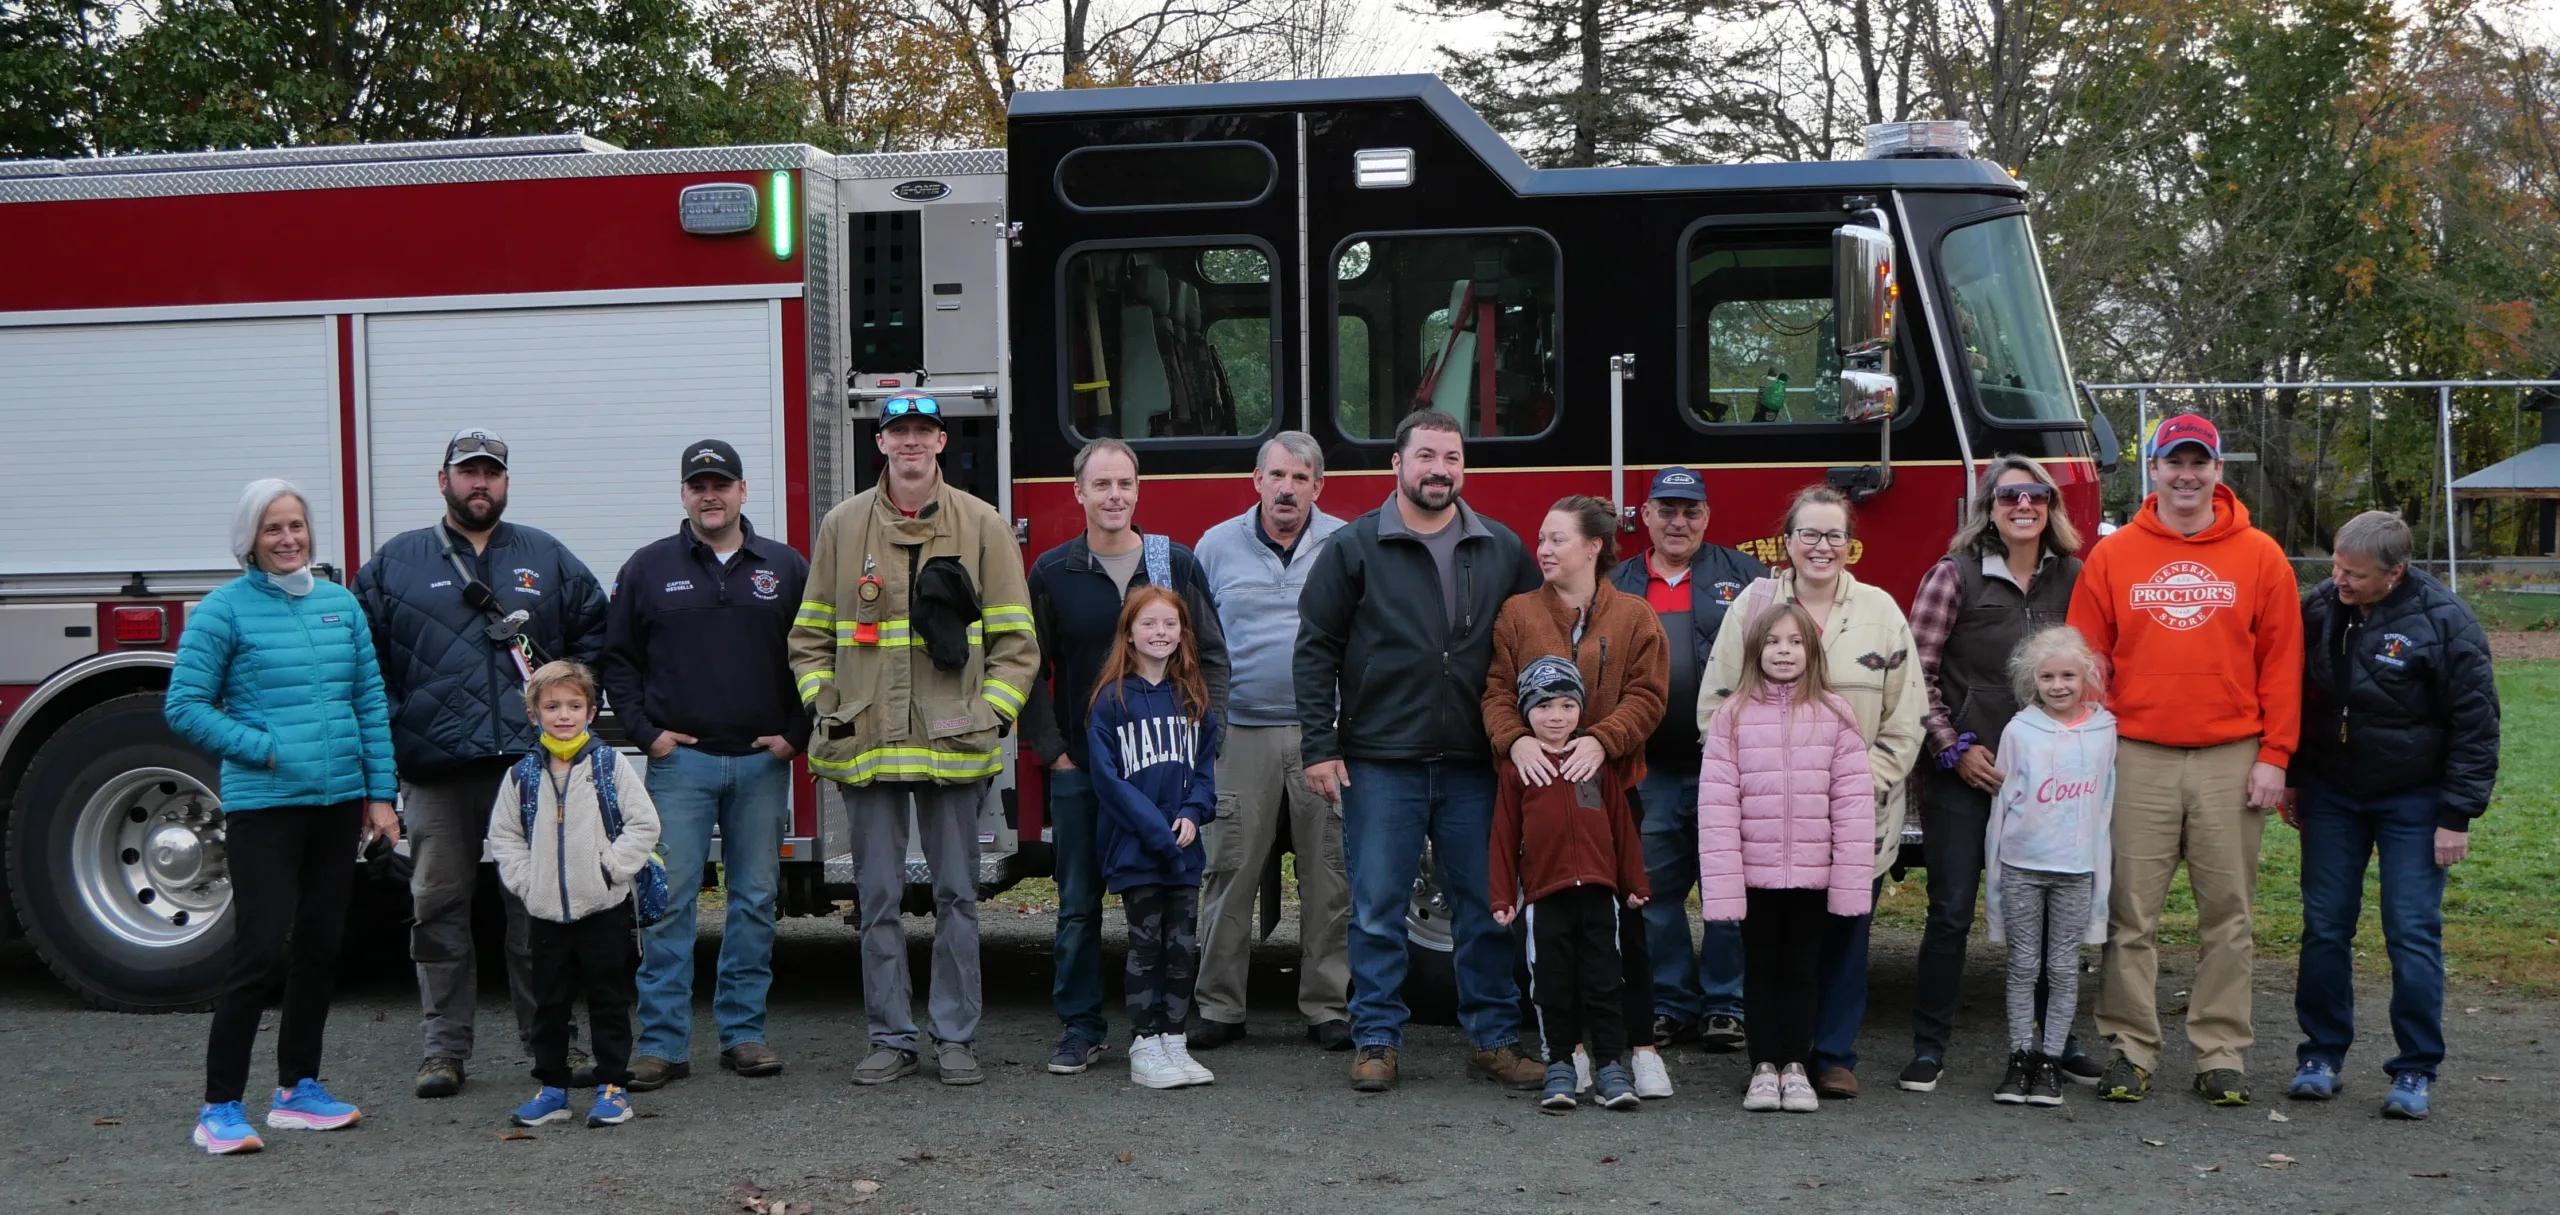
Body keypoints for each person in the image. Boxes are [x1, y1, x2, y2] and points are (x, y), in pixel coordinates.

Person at [787, 394, 1038, 1087]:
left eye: (922, 430)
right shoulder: (842, 527)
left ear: (940, 441)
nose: (910, 442)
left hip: (955, 745)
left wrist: (988, 711)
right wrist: (827, 705)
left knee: (958, 896)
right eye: (897, 430)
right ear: (882, 443)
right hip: (867, 741)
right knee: (877, 899)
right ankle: (891, 1037)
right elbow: (809, 637)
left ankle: (955, 1037)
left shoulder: (983, 526)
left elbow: (1018, 643)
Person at [354, 427, 610, 1100]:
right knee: (438, 906)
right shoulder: (396, 563)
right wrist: (395, 727)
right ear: (443, 480)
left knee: (541, 909)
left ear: (505, 481)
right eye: (468, 472)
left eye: (491, 473)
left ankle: (552, 1041)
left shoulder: (545, 557)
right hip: (437, 771)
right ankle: (443, 1050)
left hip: (531, 771)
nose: (480, 483)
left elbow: (595, 630)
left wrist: (574, 700)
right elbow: (363, 662)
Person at [1295, 407, 1544, 1093]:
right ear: (1397, 466)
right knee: (1375, 908)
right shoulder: (1356, 546)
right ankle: (1376, 1039)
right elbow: (1316, 648)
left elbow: (1533, 643)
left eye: (1453, 458)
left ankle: (1494, 1039)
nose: (1440, 470)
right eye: (1427, 456)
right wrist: (1320, 746)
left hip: (1474, 761)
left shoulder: (1500, 547)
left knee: (1487, 906)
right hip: (1380, 759)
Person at [2066, 413, 2302, 1106]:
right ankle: (2130, 1048)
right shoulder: (2114, 555)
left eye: (2200, 462)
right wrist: (2087, 744)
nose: (2187, 474)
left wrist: (2276, 756)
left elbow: (2282, 665)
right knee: (2130, 913)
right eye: (2175, 462)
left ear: (2219, 471)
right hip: (2138, 753)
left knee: (2228, 913)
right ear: (2156, 470)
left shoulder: (2260, 555)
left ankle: (2221, 1051)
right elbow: (2087, 657)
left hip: (2233, 754)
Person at [167, 479, 401, 1154]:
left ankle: (297, 1089)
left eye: (296, 525)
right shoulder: (224, 611)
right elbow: (184, 705)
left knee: (323, 944)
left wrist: (379, 796)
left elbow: (367, 703)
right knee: (260, 950)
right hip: (265, 805)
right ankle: (219, 1106)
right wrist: (264, 749)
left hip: (335, 806)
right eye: (273, 528)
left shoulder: (339, 606)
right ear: (250, 539)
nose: (288, 538)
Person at [1696, 484, 1924, 1099]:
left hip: (1853, 816)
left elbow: (1908, 718)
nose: (1822, 546)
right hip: (1768, 823)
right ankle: (1774, 1058)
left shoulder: (1881, 610)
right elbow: (1716, 702)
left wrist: (1849, 788)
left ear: (1850, 545)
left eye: (1835, 535)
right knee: (1773, 950)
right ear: (1788, 541)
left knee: (1845, 936)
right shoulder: (1754, 606)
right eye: (1810, 534)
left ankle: (1831, 1057)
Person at [597, 439, 809, 1090]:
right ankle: (661, 1044)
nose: (709, 495)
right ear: (684, 494)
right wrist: (647, 734)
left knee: (754, 901)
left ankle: (743, 1034)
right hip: (679, 766)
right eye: (698, 485)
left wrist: (796, 734)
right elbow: (618, 660)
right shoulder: (649, 568)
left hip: (760, 765)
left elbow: (815, 652)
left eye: (721, 483)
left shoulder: (784, 566)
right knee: (666, 904)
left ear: (744, 491)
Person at [1023, 437, 1230, 1075]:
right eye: (1102, 485)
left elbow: (1214, 658)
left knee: (1170, 903)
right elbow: (1031, 668)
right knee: (1079, 902)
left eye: (1126, 485)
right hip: (1085, 773)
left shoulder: (1174, 565)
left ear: (1138, 491)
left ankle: (1166, 1029)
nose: (1115, 496)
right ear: (1078, 492)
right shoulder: (1054, 572)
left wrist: (1206, 733)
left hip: (1165, 772)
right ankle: (1082, 1027)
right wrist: (1055, 750)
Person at [2285, 510, 2499, 1120]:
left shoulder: (2446, 622)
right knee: (2325, 926)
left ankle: (2415, 1067)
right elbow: (2296, 694)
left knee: (2411, 932)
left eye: (2353, 574)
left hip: (2415, 798)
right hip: (2332, 792)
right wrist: (2296, 777)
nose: (2339, 581)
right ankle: (2320, 1054)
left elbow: (2477, 724)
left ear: (2395, 571)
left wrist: (2456, 814)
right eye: (2335, 566)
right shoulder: (2320, 607)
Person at [1902, 455, 2090, 1094]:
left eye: (2036, 495)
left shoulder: (2074, 576)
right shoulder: (1951, 576)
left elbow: (2092, 671)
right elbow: (1914, 675)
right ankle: (1930, 1049)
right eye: (2010, 495)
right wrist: (1952, 749)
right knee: (1951, 911)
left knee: (2046, 912)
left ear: (2050, 507)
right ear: (1989, 506)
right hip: (1967, 773)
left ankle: (2054, 1043)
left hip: (2047, 780)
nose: (2024, 506)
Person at [1482, 496, 1671, 1097]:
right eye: (1541, 537)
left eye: (1557, 539)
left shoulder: (1636, 616)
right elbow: (1494, 692)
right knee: (1555, 939)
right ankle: (1575, 1054)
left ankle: (1638, 1050)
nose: (1543, 548)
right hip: (1539, 794)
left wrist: (1603, 740)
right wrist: (1514, 743)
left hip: (1610, 791)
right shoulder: (1516, 614)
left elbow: (1649, 696)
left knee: (1626, 930)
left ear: (1593, 547)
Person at [1190, 431, 1354, 1052]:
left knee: (1330, 874)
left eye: (1302, 477)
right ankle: (1219, 1007)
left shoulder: (1344, 544)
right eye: (1277, 476)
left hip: (1325, 737)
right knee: (1227, 869)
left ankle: (1327, 1007)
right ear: (1256, 480)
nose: (1288, 488)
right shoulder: (1214, 547)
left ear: (1319, 486)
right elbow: (1194, 641)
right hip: (1240, 733)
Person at [1605, 466, 1766, 1055]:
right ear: (1644, 516)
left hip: (1726, 767)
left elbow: (1779, 655)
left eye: (1691, 511)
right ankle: (1668, 1003)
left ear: (1707, 517)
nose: (1678, 522)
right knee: (1653, 893)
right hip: (1646, 769)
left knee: (1729, 890)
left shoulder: (1747, 578)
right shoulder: (1616, 582)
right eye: (1666, 510)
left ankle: (1726, 1004)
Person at [1697, 604, 1875, 1114]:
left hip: (1813, 877)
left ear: (1812, 651)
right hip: (1754, 874)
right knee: (1760, 969)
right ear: (1756, 650)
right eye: (1773, 641)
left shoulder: (1835, 713)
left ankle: (1796, 1065)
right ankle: (1763, 1066)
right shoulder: (1732, 716)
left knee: (1803, 970)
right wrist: (1725, 885)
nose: (1783, 651)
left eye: (1795, 642)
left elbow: (1854, 807)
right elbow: (1716, 806)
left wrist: (1848, 883)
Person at [486, 661, 660, 1130]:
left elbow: (644, 824)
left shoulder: (609, 764)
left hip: (602, 906)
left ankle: (612, 1088)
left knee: (608, 998)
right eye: (552, 706)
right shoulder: (522, 774)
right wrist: (528, 881)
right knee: (549, 1004)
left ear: (592, 709)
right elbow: (504, 836)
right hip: (544, 910)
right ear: (533, 713)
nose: (564, 715)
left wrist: (610, 871)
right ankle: (552, 1089)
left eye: (574, 705)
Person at [1490, 657, 1651, 1115]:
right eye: (1542, 707)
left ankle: (1610, 1069)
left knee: (1605, 982)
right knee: (1552, 983)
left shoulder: (1595, 764)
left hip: (1600, 894)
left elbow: (1623, 828)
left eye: (1566, 705)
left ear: (1580, 710)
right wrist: (1503, 895)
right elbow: (1503, 833)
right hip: (1546, 897)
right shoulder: (1516, 769)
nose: (1555, 716)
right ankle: (1560, 1063)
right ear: (1526, 713)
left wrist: (1634, 882)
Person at [1084, 586, 1224, 1089]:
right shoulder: (1110, 699)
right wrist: (1158, 833)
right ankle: (1145, 1043)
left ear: (1183, 634)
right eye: (1149, 624)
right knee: (1147, 946)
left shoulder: (1192, 695)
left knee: (1183, 946)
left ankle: (1175, 1040)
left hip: (1184, 850)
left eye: (1169, 624)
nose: (1159, 633)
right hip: (1137, 850)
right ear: (1129, 633)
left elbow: (1204, 768)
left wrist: (1193, 811)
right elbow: (1109, 782)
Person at [1980, 627, 2116, 1108]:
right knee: (2022, 967)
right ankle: (2019, 1057)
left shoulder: (2105, 733)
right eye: (2047, 676)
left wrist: (2101, 876)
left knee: (2062, 969)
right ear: (2031, 681)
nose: (2058, 685)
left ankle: (2051, 1061)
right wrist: (1994, 875)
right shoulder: (2020, 731)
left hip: (2075, 871)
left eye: (2067, 675)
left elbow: (2104, 807)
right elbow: (2002, 806)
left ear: (2087, 678)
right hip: (2022, 866)